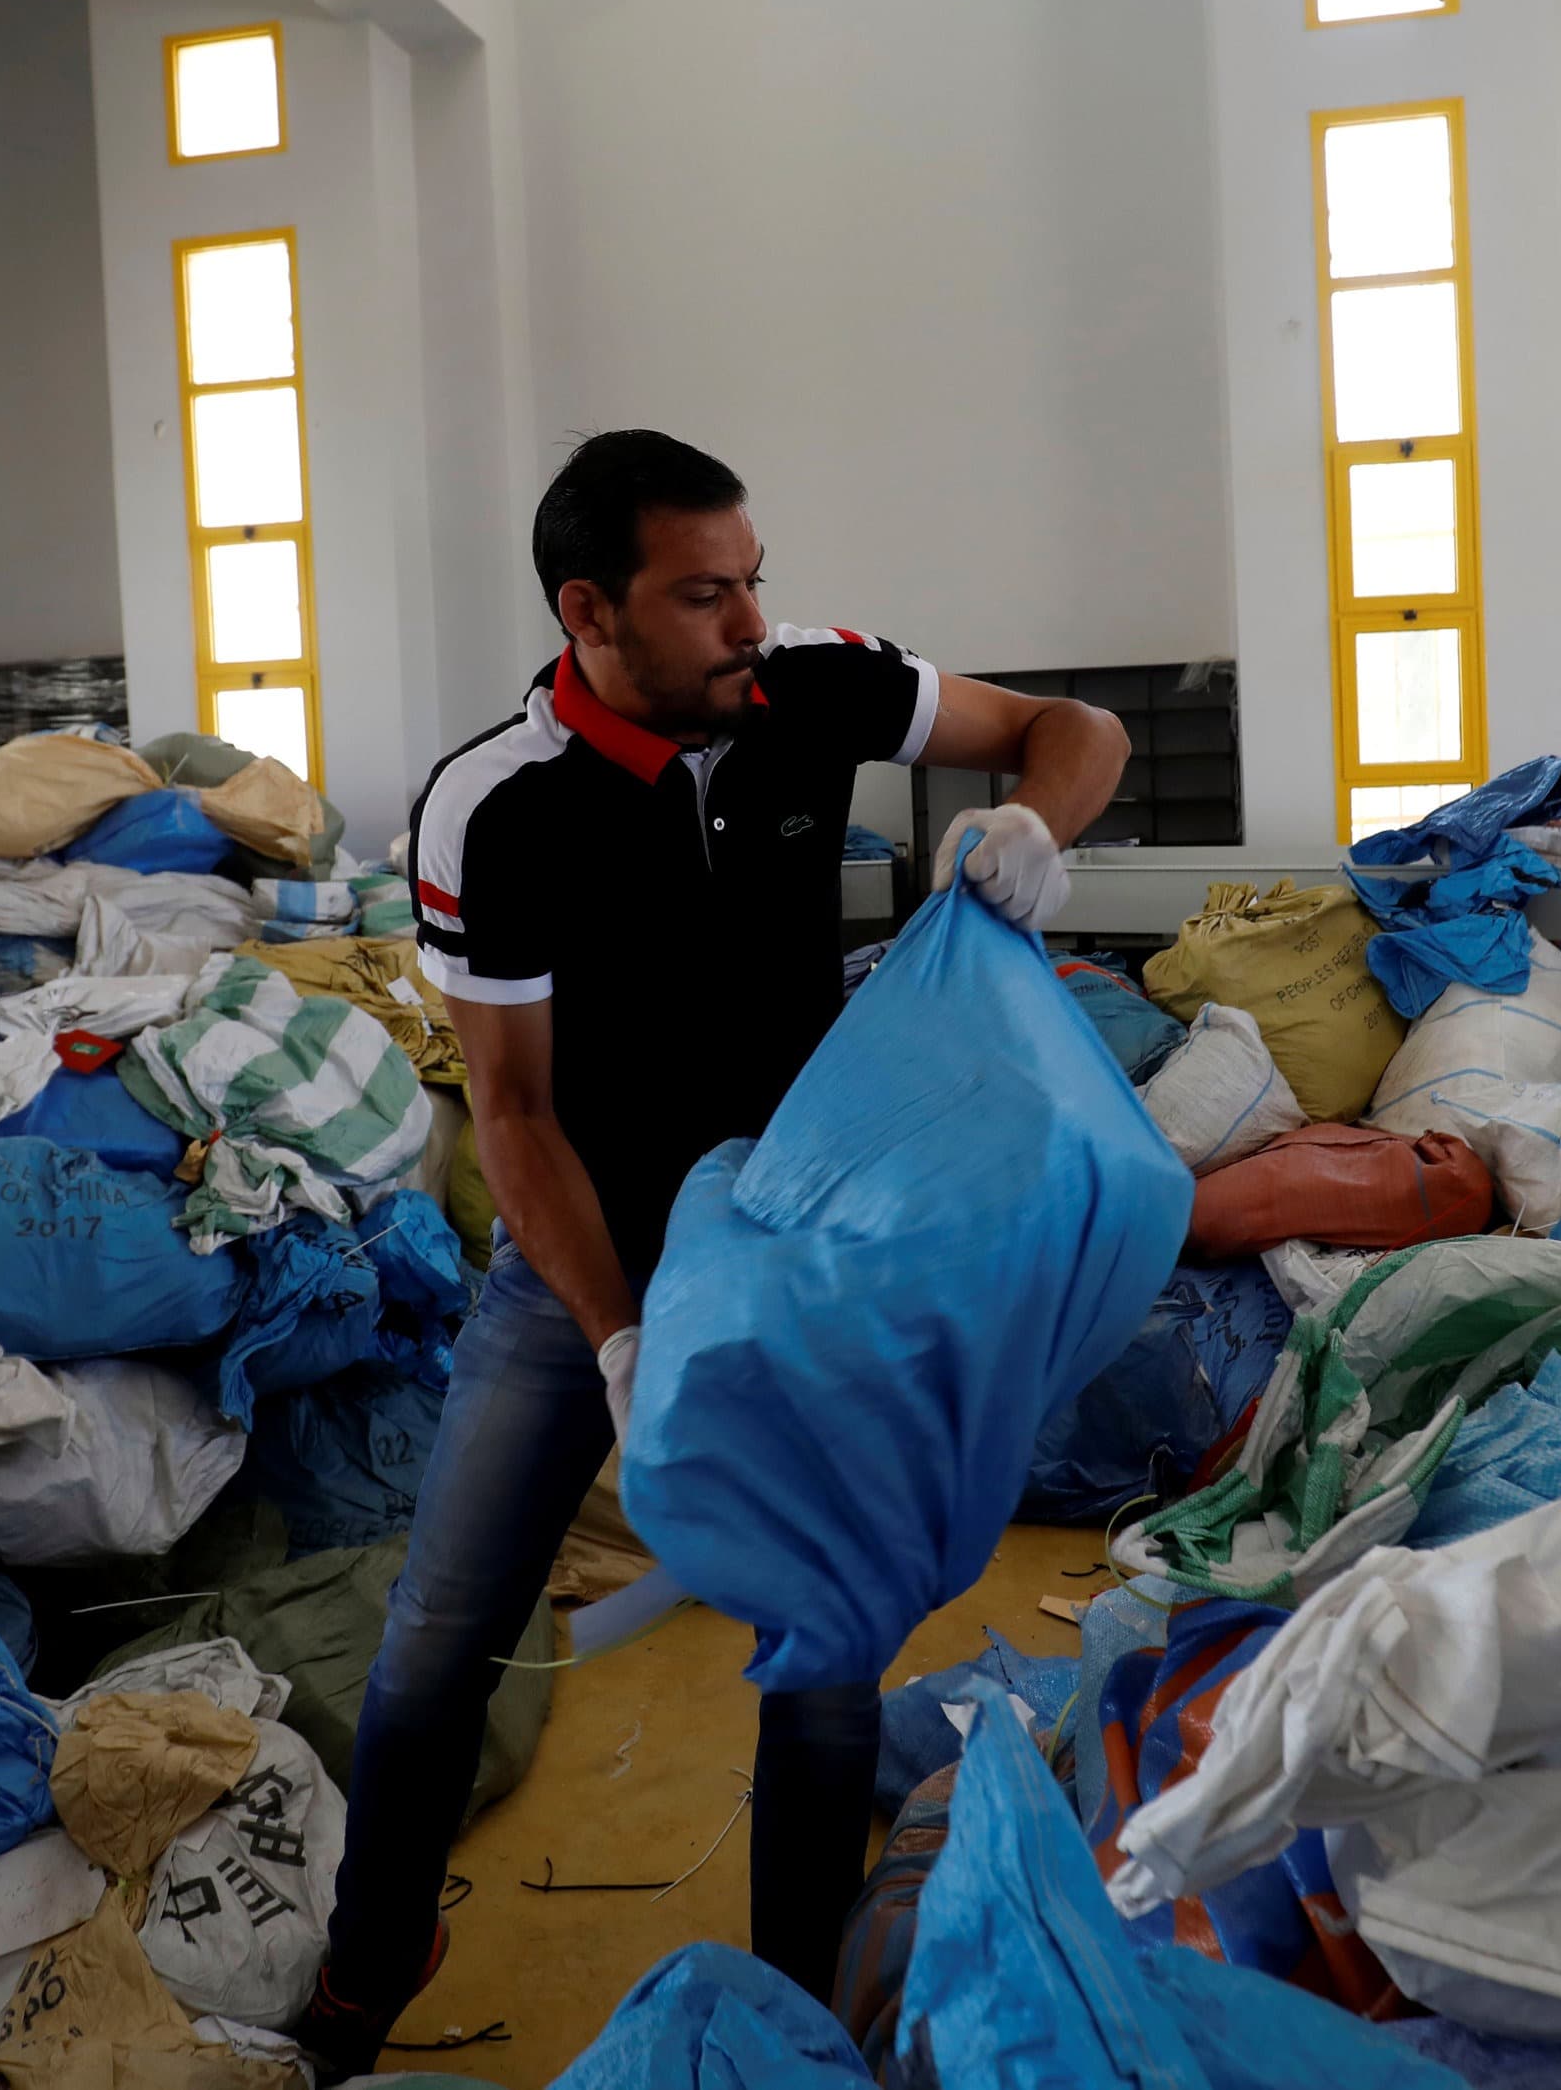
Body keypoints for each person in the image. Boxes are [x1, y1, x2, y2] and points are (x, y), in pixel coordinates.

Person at [295, 429, 1128, 2069]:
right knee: (442, 1636)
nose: (751, 620)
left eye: (753, 579)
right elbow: (518, 1120)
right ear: (589, 609)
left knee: (820, 1661)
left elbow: (1068, 727)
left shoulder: (810, 686)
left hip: (805, 1253)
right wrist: (616, 1339)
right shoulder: (492, 807)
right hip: (584, 1258)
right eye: (704, 594)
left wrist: (1035, 824)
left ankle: (794, 2022)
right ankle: (364, 1967)